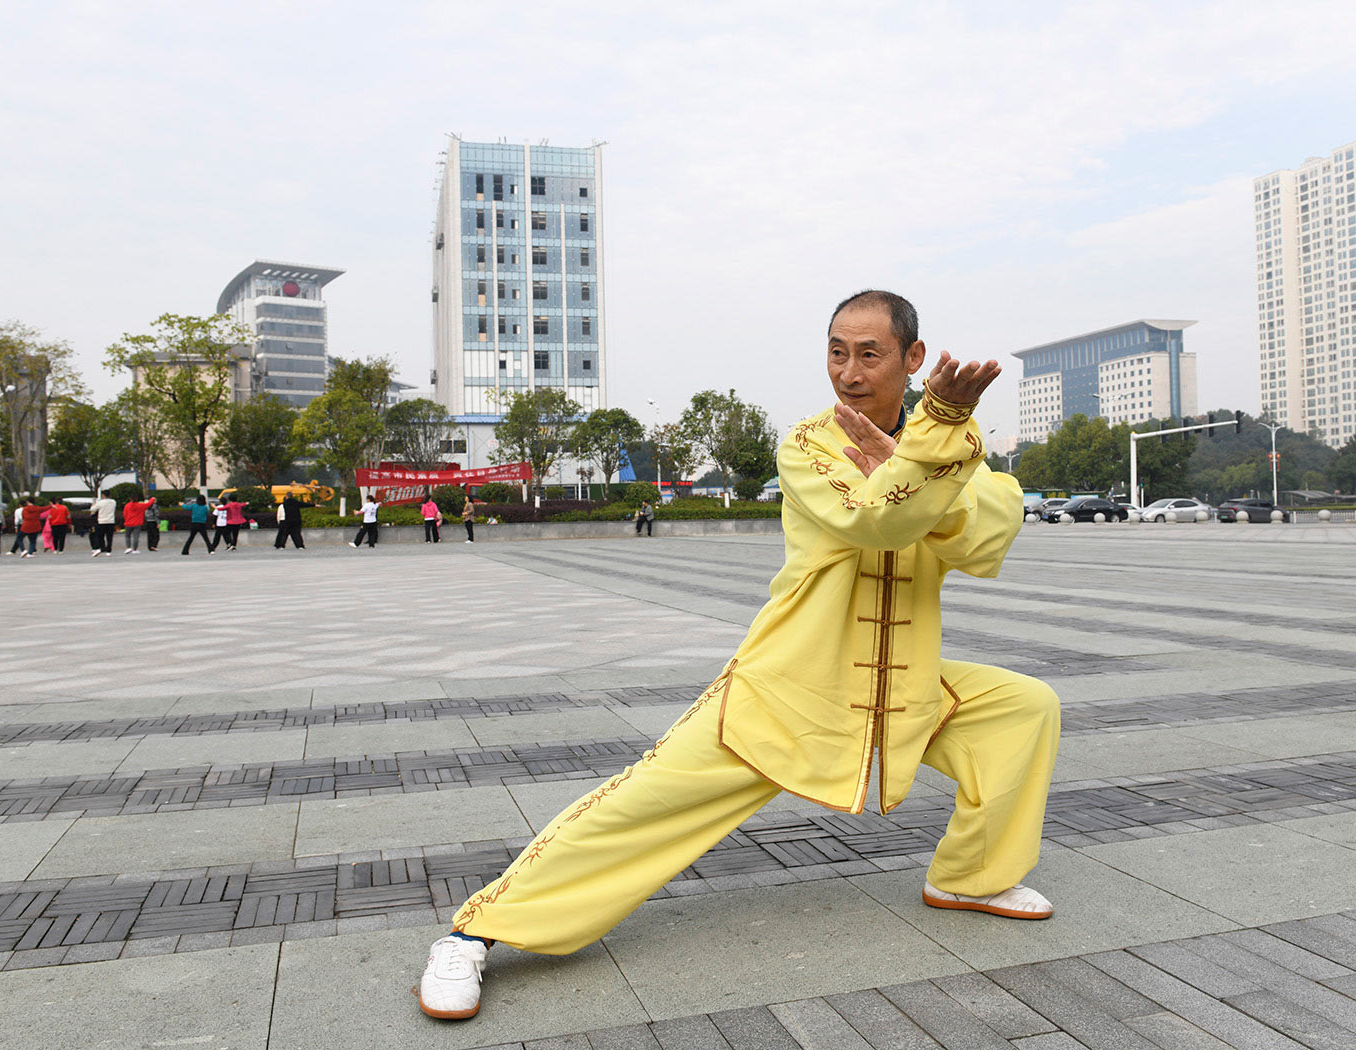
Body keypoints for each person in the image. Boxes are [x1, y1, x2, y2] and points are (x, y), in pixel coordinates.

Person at [417, 290, 1060, 1021]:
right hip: (790, 681)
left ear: (914, 358)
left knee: (1020, 710)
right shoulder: (813, 444)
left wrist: (927, 455)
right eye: (837, 351)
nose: (849, 371)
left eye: (870, 353)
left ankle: (971, 877)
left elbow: (986, 536)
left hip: (902, 682)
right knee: (642, 806)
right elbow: (880, 521)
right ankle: (474, 933)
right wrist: (930, 455)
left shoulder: (958, 442)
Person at [90, 490, 117, 557]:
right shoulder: (113, 502)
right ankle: (109, 551)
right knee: (109, 537)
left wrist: (93, 505)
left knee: (100, 536)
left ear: (103, 495)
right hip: (111, 521)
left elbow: (92, 509)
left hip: (102, 521)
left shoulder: (100, 503)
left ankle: (102, 548)